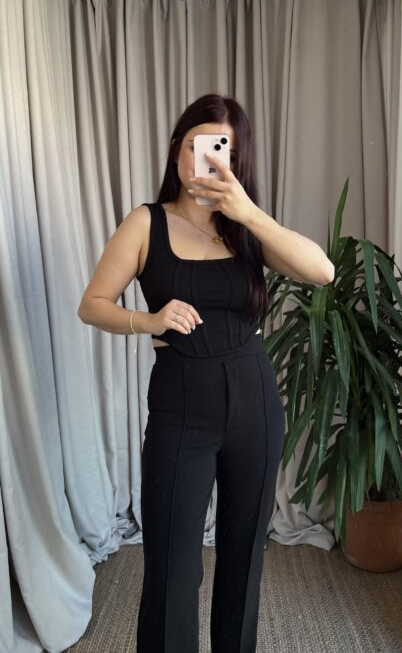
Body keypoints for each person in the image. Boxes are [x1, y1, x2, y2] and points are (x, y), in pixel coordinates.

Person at [77, 93, 334, 653]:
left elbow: (323, 271)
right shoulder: (146, 223)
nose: (212, 160)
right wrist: (148, 320)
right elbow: (91, 304)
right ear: (177, 151)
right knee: (173, 567)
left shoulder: (244, 231)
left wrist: (248, 212)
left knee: (244, 560)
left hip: (255, 405)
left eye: (227, 153)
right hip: (180, 408)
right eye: (201, 146)